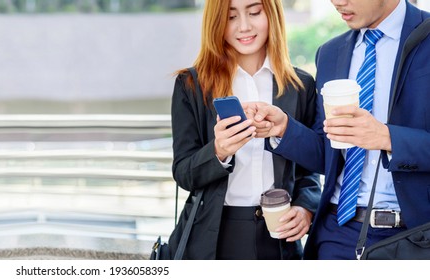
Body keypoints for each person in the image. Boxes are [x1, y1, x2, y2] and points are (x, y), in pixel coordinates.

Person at [251, 0, 430, 259]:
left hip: (415, 238)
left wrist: (388, 138)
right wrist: (285, 128)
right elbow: (329, 155)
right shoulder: (330, 53)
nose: (337, 2)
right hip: (336, 232)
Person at [168, 0, 321, 260]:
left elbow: (310, 169)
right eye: (231, 17)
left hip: (279, 234)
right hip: (213, 236)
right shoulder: (192, 85)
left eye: (254, 12)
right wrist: (219, 151)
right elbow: (183, 173)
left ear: (271, 14)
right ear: (216, 23)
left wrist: (306, 208)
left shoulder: (301, 86)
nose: (244, 26)